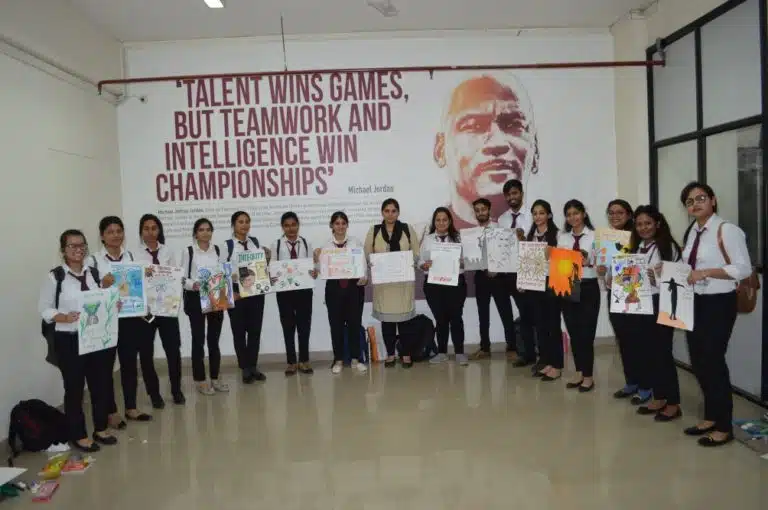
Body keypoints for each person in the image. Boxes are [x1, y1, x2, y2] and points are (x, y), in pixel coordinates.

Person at [679, 182, 752, 447]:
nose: (695, 204)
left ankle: (724, 426)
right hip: (694, 301)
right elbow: (688, 265)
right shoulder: (693, 231)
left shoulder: (727, 230)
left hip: (719, 303)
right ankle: (710, 416)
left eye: (700, 198)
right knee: (699, 361)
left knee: (713, 361)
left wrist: (708, 272)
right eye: (689, 201)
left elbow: (743, 268)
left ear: (713, 200)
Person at [38, 229, 118, 451]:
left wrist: (112, 303)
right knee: (74, 389)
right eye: (72, 246)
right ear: (63, 250)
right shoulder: (55, 277)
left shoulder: (93, 273)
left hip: (95, 338)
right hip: (69, 339)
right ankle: (78, 434)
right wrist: (62, 317)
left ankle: (100, 428)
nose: (78, 249)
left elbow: (99, 301)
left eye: (82, 245)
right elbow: (44, 308)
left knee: (100, 384)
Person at [432, 74, 539, 228]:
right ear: (440, 150)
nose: (497, 143)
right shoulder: (426, 237)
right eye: (474, 126)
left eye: (513, 125)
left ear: (535, 150)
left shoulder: (544, 234)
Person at [91, 216, 152, 427]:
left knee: (129, 364)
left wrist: (145, 276)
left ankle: (131, 407)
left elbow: (137, 285)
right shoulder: (94, 261)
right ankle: (111, 412)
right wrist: (102, 283)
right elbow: (89, 291)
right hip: (107, 320)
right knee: (106, 367)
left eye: (119, 231)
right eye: (110, 232)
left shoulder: (131, 256)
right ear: (102, 236)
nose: (115, 235)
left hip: (130, 318)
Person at [627, 205, 683, 422]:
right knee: (648, 352)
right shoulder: (637, 246)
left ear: (657, 224)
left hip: (662, 303)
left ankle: (673, 403)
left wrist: (657, 279)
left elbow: (680, 277)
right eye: (639, 224)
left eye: (648, 223)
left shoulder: (668, 247)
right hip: (640, 303)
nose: (643, 228)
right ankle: (659, 397)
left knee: (662, 354)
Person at [598, 200, 651, 404]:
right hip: (615, 294)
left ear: (629, 215)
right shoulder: (607, 239)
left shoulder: (638, 237)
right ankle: (632, 382)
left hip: (635, 295)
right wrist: (602, 271)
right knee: (624, 340)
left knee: (639, 341)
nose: (615, 216)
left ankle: (646, 385)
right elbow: (605, 269)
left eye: (619, 212)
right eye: (611, 213)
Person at [134, 214, 185, 408]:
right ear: (141, 232)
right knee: (146, 353)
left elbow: (174, 275)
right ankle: (154, 393)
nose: (150, 232)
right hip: (145, 311)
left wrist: (180, 280)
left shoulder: (167, 251)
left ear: (159, 230)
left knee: (173, 350)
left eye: (154, 228)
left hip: (166, 309)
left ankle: (176, 390)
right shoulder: (134, 254)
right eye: (146, 228)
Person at [364, 198, 420, 367]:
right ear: (382, 212)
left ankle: (406, 354)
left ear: (398, 212)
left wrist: (409, 262)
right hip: (384, 286)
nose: (390, 214)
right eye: (387, 211)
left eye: (393, 211)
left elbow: (416, 253)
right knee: (387, 322)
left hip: (403, 284)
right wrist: (373, 263)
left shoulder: (407, 229)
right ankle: (390, 354)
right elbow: (367, 254)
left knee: (405, 323)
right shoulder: (374, 231)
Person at [315, 211, 368, 374]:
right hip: (334, 289)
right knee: (336, 326)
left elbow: (363, 265)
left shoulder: (355, 242)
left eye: (343, 223)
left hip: (354, 288)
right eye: (337, 223)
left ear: (347, 225)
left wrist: (364, 277)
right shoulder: (326, 246)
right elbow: (320, 270)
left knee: (354, 324)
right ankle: (338, 360)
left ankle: (355, 359)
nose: (340, 226)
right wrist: (317, 259)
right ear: (332, 225)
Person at [180, 218, 228, 396]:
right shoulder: (189, 251)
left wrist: (229, 278)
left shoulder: (218, 250)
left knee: (214, 340)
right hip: (196, 297)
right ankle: (200, 380)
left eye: (208, 229)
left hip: (216, 294)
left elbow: (224, 272)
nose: (205, 233)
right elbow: (182, 278)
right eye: (201, 230)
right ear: (195, 233)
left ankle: (215, 378)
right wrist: (194, 284)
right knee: (198, 340)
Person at [558, 200, 600, 393]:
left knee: (586, 333)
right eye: (569, 214)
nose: (573, 217)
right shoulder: (563, 237)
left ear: (583, 214)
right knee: (574, 332)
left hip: (588, 286)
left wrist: (588, 260)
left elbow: (603, 263)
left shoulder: (595, 236)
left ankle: (588, 376)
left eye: (576, 213)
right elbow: (560, 264)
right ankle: (579, 371)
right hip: (568, 285)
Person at [469, 198, 518, 360]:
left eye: (483, 209)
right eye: (477, 210)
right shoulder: (472, 234)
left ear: (489, 210)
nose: (480, 213)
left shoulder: (500, 229)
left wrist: (497, 269)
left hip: (499, 277)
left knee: (505, 312)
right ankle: (485, 348)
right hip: (480, 276)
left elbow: (508, 252)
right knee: (483, 314)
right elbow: (471, 257)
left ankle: (512, 347)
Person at [418, 207, 468, 366]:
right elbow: (420, 260)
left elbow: (468, 260)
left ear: (450, 221)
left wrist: (462, 262)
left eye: (444, 220)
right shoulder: (428, 239)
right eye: (438, 220)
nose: (441, 223)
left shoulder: (459, 238)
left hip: (455, 283)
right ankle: (442, 352)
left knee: (456, 317)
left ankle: (459, 352)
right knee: (440, 318)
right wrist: (424, 265)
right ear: (434, 222)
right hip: (434, 284)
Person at [224, 211, 269, 383]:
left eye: (247, 221)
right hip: (237, 292)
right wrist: (230, 293)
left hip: (255, 291)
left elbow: (259, 266)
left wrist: (267, 258)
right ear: (233, 225)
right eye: (240, 222)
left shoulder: (255, 242)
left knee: (255, 331)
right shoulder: (227, 246)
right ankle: (244, 368)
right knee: (239, 331)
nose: (244, 225)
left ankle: (253, 366)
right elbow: (222, 272)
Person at [270, 212, 317, 376]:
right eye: (287, 225)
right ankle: (291, 362)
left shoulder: (306, 243)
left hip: (304, 291)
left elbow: (312, 266)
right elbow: (272, 267)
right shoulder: (276, 245)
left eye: (293, 225)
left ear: (298, 225)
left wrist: (314, 272)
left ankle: (304, 360)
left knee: (304, 327)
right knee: (288, 327)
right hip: (284, 292)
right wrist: (272, 276)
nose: (291, 228)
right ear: (282, 227)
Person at [498, 179, 536, 368]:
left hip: (528, 270)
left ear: (521, 194)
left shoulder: (532, 215)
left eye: (515, 193)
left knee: (531, 313)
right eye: (508, 195)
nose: (511, 197)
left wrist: (524, 239)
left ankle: (537, 353)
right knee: (521, 314)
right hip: (509, 272)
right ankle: (525, 353)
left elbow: (538, 243)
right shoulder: (502, 219)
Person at [524, 200, 563, 381]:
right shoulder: (530, 236)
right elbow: (525, 261)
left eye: (541, 213)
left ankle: (557, 365)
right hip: (534, 283)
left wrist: (553, 253)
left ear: (549, 215)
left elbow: (564, 261)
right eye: (535, 213)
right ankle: (546, 361)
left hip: (552, 282)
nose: (538, 216)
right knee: (540, 325)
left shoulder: (558, 235)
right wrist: (523, 280)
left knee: (553, 325)